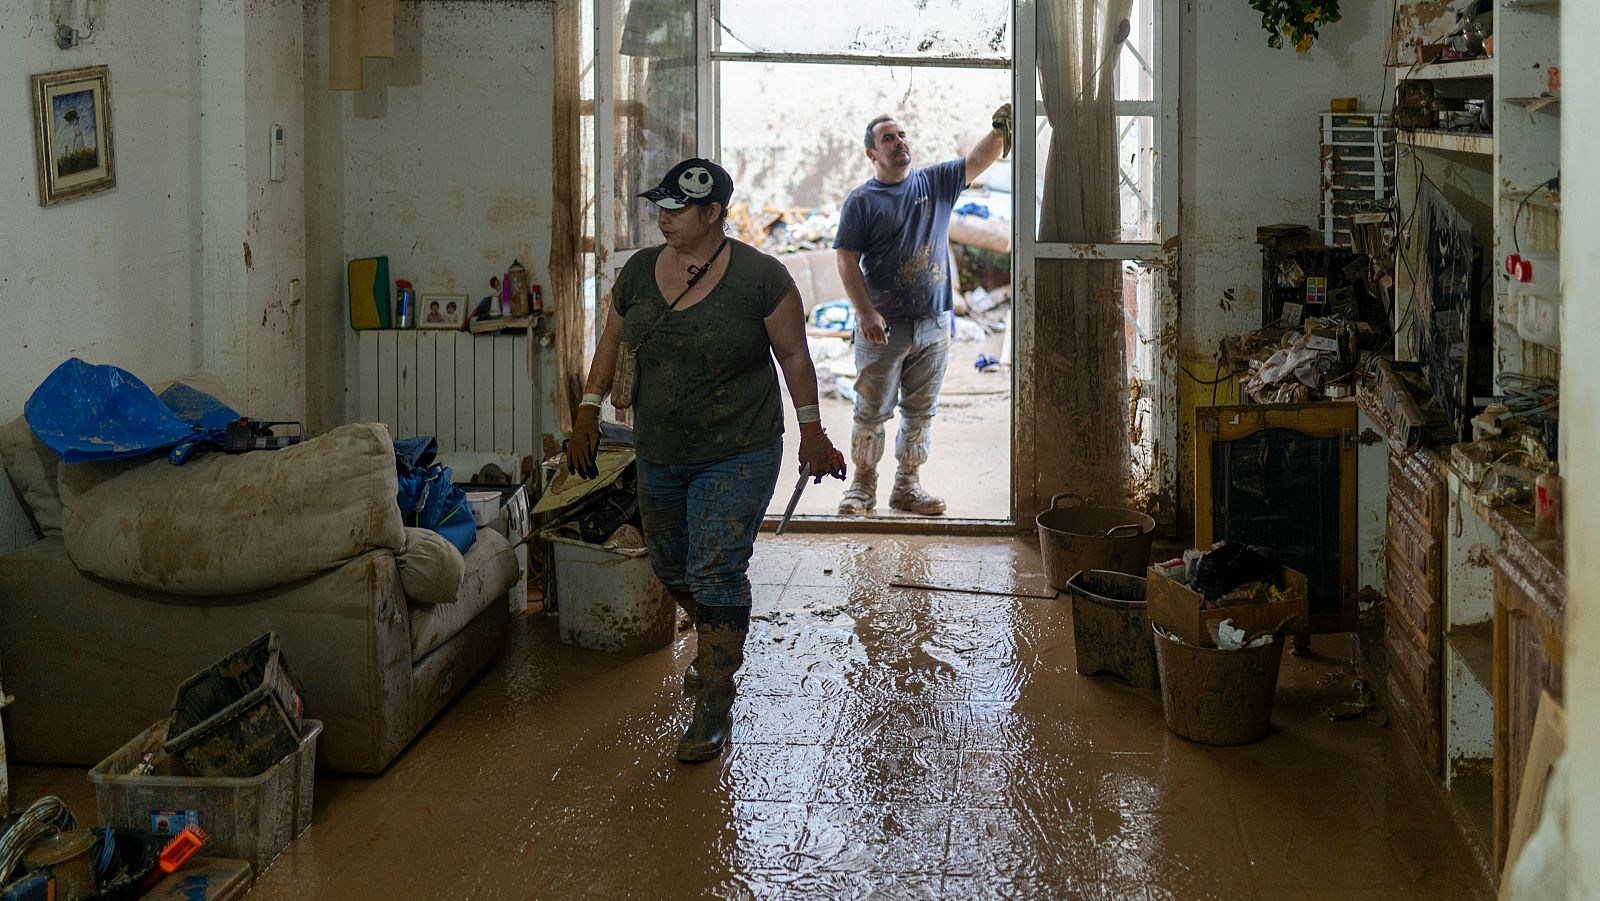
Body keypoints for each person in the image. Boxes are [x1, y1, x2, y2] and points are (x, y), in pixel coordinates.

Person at [565, 158, 847, 764]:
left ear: (713, 213)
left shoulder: (761, 278)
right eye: (660, 207)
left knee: (716, 569)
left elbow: (795, 358)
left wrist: (813, 432)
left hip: (741, 448)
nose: (663, 218)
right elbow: (613, 341)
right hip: (662, 450)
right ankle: (722, 631)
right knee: (672, 569)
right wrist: (588, 409)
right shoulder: (639, 272)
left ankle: (714, 697)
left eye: (677, 208)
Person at [832, 105, 1011, 516]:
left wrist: (1000, 128)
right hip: (882, 327)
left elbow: (979, 160)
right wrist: (865, 312)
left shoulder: (936, 182)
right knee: (871, 410)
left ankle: (907, 487)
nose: (899, 143)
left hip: (933, 325)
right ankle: (861, 487)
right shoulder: (861, 201)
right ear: (871, 154)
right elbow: (846, 260)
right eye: (888, 139)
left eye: (902, 135)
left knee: (920, 411)